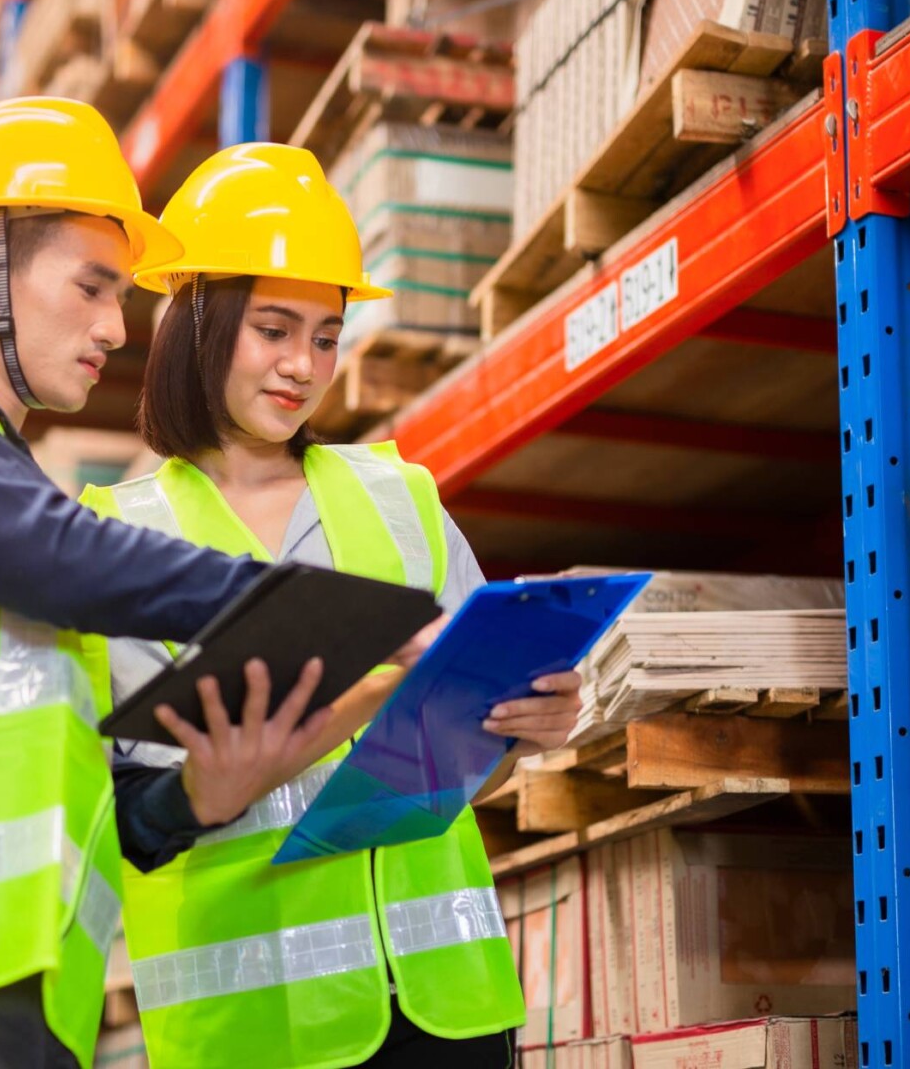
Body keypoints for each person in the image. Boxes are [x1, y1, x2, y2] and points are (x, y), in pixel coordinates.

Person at [0, 100, 401, 1069]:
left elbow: (116, 818)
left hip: (33, 1009)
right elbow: (55, 558)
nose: (115, 326)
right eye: (93, 288)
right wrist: (328, 617)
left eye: (123, 296)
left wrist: (194, 797)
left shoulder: (5, 500)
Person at [79, 143, 583, 1069]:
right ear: (196, 318)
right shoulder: (113, 543)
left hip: (449, 1016)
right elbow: (127, 815)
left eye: (324, 335)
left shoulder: (401, 497)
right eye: (273, 329)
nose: (304, 367)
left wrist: (526, 727)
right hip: (256, 1032)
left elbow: (472, 772)